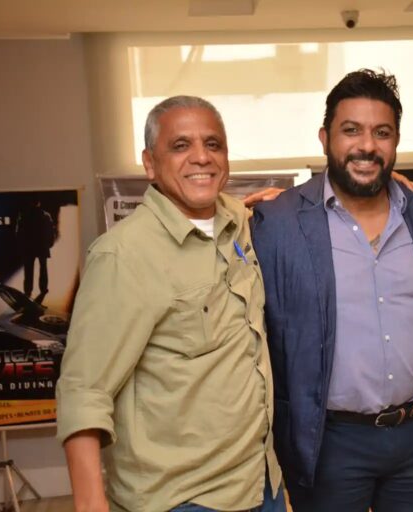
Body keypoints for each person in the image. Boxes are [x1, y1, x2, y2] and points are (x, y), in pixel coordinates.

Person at [56, 96, 284, 512]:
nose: (201, 157)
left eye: (213, 144)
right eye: (181, 145)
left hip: (259, 481)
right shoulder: (123, 255)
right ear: (150, 164)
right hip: (180, 499)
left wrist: (392, 184)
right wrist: (90, 503)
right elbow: (84, 390)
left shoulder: (236, 221)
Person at [251, 69, 413, 512]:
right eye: (351, 130)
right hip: (327, 444)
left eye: (381, 133)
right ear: (325, 138)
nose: (367, 146)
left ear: (396, 142)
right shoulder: (278, 224)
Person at [16, 199, 55, 303]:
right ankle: (43, 288)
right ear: (39, 203)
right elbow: (50, 231)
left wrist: (21, 244)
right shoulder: (46, 215)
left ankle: (28, 290)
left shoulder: (24, 215)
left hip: (28, 246)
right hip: (42, 246)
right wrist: (50, 243)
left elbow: (19, 232)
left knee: (28, 270)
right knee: (43, 268)